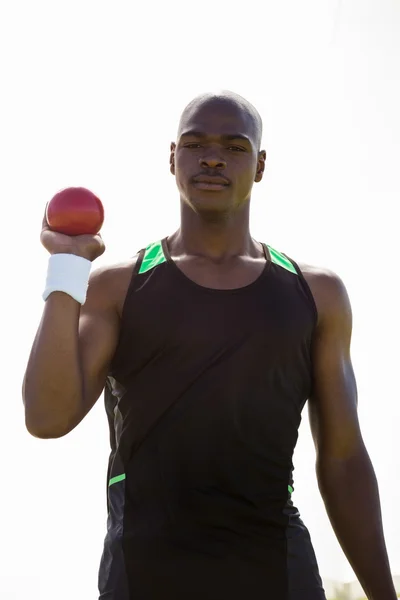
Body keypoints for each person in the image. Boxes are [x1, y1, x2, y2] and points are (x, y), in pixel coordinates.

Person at [22, 91, 397, 600]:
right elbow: (46, 418)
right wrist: (67, 265)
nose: (213, 157)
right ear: (172, 158)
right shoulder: (117, 286)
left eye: (235, 147)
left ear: (260, 165)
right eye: (195, 144)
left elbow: (344, 457)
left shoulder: (316, 293)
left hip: (277, 574)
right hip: (143, 575)